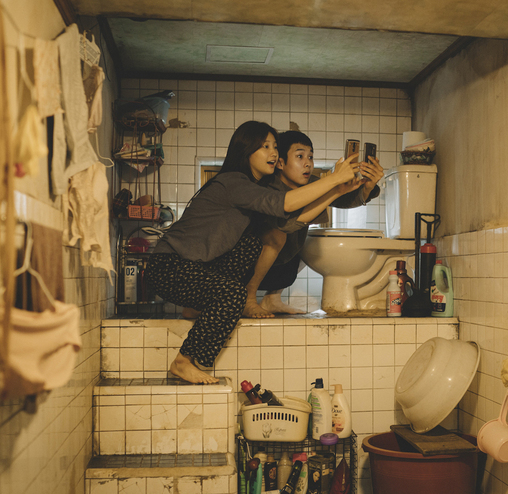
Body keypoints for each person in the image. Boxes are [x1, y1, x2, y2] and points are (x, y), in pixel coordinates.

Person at [146, 121, 360, 383]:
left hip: (197, 266)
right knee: (232, 295)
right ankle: (183, 362)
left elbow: (290, 222)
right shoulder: (234, 182)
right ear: (246, 150)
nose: (273, 153)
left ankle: (193, 308)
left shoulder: (253, 188)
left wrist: (336, 191)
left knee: (253, 243)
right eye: (265, 146)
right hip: (169, 266)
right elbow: (285, 203)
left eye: (275, 146)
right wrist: (334, 178)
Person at [242, 130, 383, 318]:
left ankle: (272, 298)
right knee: (279, 234)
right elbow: (286, 224)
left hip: (282, 268)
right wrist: (333, 183)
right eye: (300, 156)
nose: (308, 163)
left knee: (311, 240)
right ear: (280, 163)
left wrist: (367, 188)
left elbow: (343, 197)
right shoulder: (268, 187)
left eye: (310, 157)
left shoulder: (311, 182)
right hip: (247, 268)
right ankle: (248, 298)